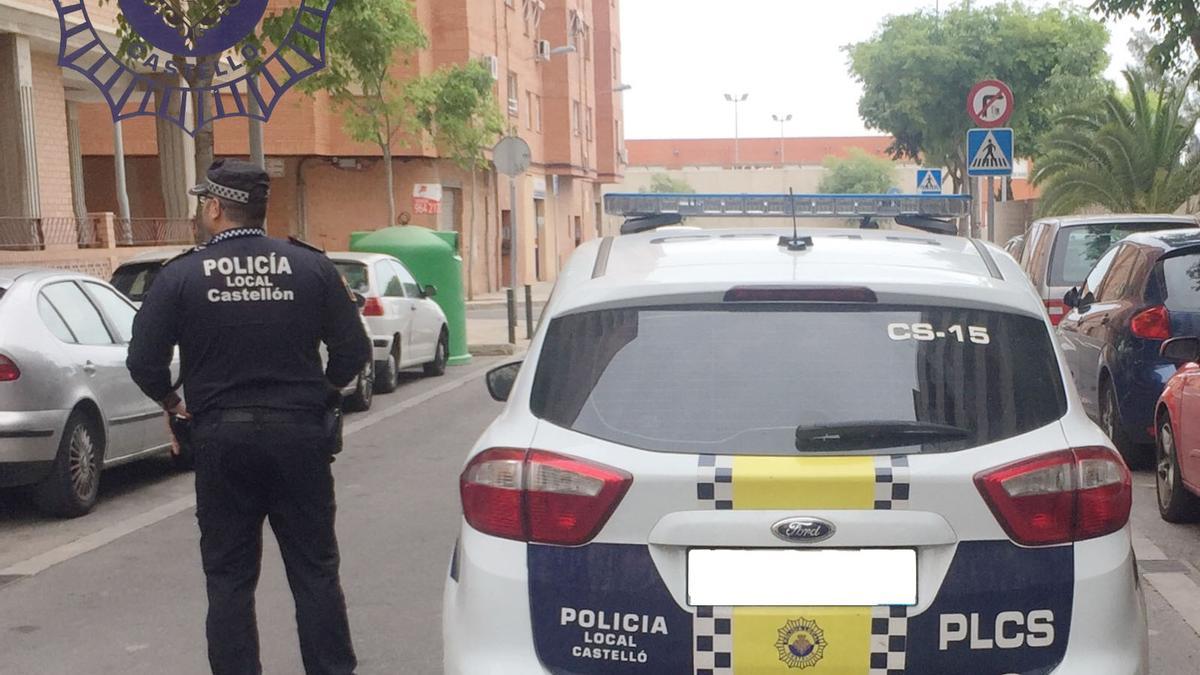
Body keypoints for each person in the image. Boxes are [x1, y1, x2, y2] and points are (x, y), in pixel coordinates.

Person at [126, 159, 371, 675]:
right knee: (316, 573)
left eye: (201, 205)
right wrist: (320, 395)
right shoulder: (310, 267)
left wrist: (174, 405)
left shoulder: (181, 276)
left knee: (230, 580)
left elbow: (143, 362)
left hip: (222, 442)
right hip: (301, 439)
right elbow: (353, 351)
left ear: (214, 208)